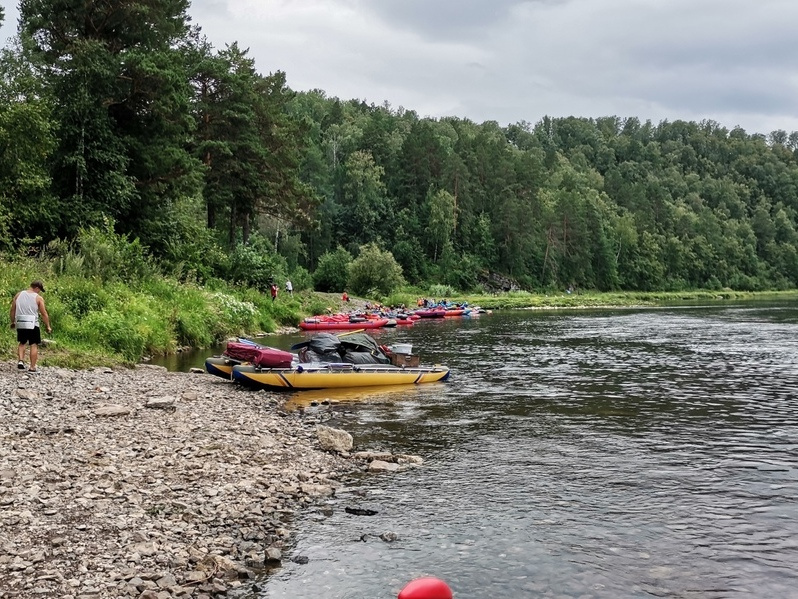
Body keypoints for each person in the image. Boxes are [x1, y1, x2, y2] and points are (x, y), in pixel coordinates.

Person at [10, 280, 52, 373]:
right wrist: (48, 326)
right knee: (33, 344)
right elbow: (44, 313)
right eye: (40, 290)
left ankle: (21, 360)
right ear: (37, 288)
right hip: (33, 324)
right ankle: (32, 367)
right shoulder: (38, 298)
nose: (39, 292)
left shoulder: (18, 295)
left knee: (22, 342)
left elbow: (13, 309)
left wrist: (13, 321)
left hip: (20, 322)